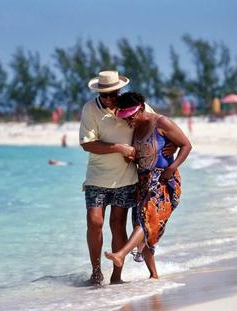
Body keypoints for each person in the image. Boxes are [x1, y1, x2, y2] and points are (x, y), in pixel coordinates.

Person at [79, 71, 175, 285]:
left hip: (126, 178)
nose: (110, 99)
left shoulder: (131, 104)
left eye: (113, 93)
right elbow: (87, 144)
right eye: (105, 95)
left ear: (119, 90)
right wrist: (119, 148)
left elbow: (155, 122)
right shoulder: (90, 109)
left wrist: (168, 144)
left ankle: (116, 276)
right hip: (97, 176)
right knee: (94, 222)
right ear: (99, 94)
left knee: (117, 225)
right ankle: (96, 272)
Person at [104, 91, 192, 279]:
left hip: (164, 181)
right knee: (143, 225)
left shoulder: (162, 122)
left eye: (131, 116)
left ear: (142, 108)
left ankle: (120, 254)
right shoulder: (135, 128)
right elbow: (143, 155)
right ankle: (154, 275)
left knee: (146, 218)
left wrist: (173, 167)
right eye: (125, 118)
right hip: (143, 181)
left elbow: (186, 145)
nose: (129, 121)